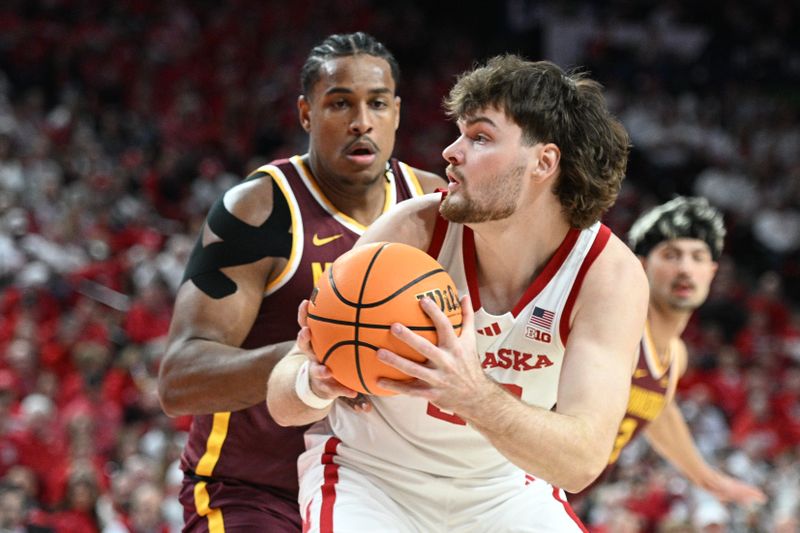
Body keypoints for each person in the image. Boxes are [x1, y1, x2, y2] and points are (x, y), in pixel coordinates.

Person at [268, 55, 649, 532]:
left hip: (505, 490)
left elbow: (581, 462)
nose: (450, 151)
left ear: (544, 162)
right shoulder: (411, 231)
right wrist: (314, 382)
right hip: (373, 479)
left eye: (480, 138)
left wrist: (471, 394)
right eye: (460, 133)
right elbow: (283, 397)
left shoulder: (606, 276)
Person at [157, 32, 444, 532]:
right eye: (339, 103)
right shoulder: (259, 208)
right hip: (258, 493)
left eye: (377, 103)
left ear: (397, 112)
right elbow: (180, 379)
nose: (361, 121)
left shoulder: (435, 204)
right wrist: (317, 356)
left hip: (388, 493)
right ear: (306, 114)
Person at [569, 197, 766, 507]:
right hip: (519, 484)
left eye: (698, 257)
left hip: (563, 495)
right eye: (671, 255)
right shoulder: (616, 325)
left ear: (712, 271)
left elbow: (655, 410)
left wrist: (707, 478)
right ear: (643, 263)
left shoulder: (675, 355)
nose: (685, 269)